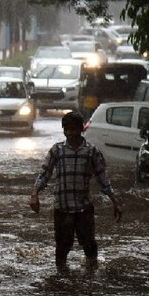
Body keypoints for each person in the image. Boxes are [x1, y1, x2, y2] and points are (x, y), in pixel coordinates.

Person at [30, 112, 122, 270]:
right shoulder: (57, 150)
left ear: (81, 129)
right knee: (62, 247)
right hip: (62, 207)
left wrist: (114, 201)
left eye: (74, 129)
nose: (70, 133)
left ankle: (91, 277)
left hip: (83, 208)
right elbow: (44, 173)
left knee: (89, 245)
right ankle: (61, 279)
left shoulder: (91, 151)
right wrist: (34, 194)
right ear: (63, 131)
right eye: (67, 129)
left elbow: (102, 178)